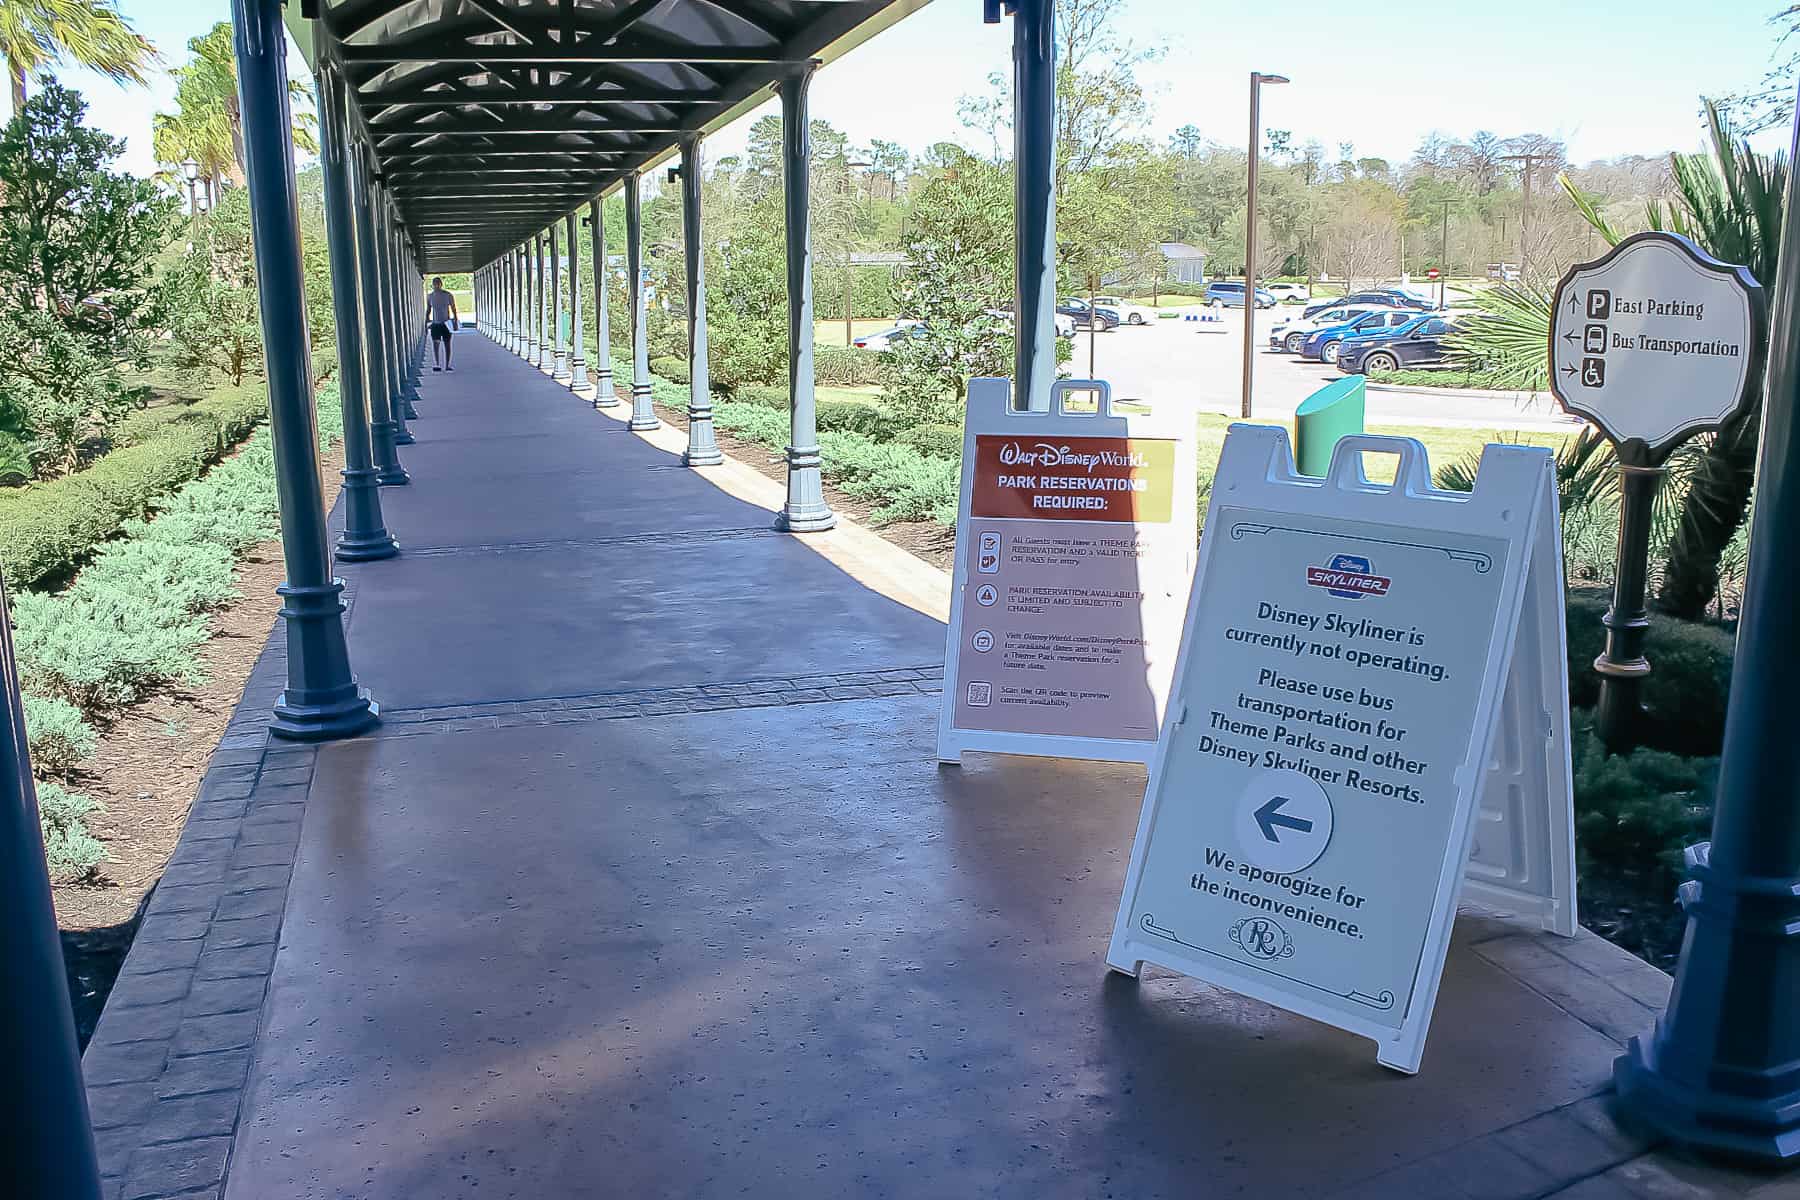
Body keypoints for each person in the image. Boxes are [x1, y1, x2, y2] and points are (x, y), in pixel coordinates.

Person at [426, 277, 459, 371]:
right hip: (435, 324)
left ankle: (447, 365)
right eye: (435, 284)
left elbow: (453, 308)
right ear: (432, 285)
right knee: (435, 344)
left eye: (438, 283)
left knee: (447, 344)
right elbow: (428, 310)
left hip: (446, 323)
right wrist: (426, 320)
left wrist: (455, 321)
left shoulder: (448, 295)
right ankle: (437, 364)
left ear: (441, 284)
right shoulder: (430, 296)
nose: (436, 285)